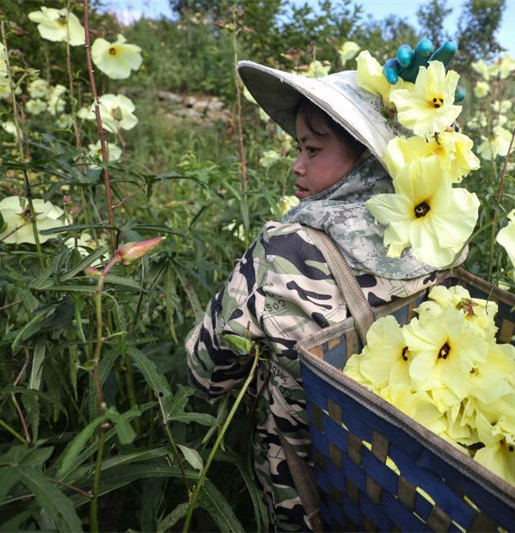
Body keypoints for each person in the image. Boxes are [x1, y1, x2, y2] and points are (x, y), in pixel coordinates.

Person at [185, 60, 461, 531]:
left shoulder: (287, 248)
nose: (296, 166)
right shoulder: (436, 237)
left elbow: (207, 372)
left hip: (307, 491)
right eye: (298, 148)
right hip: (405, 488)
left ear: (371, 157)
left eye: (312, 149)